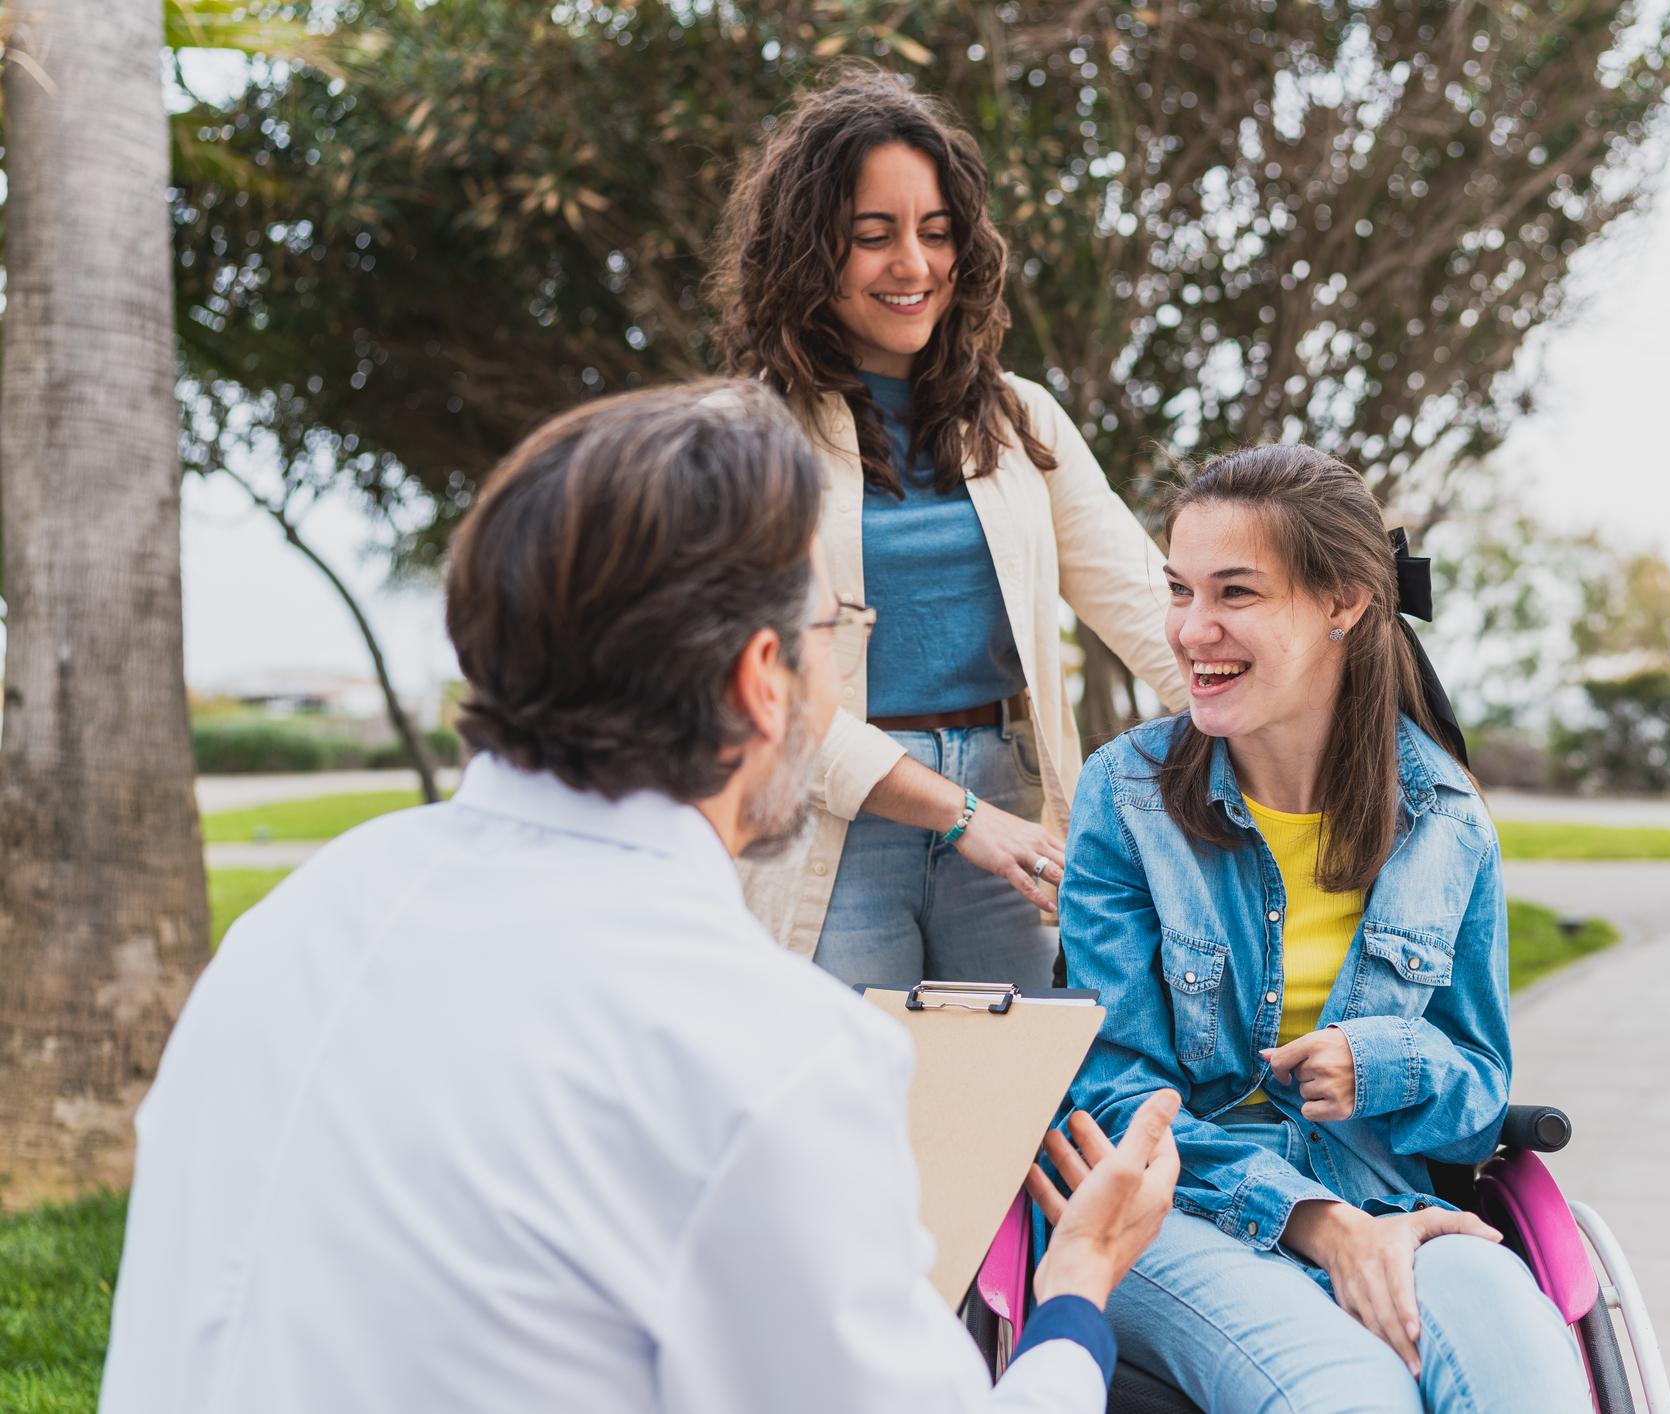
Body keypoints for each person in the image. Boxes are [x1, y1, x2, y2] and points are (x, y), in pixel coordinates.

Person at [98, 382, 1182, 1414]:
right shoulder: (766, 1052)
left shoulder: (298, 918)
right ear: (764, 680)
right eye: (836, 628)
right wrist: (1075, 1293)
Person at [1059, 447, 1593, 1412]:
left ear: (1342, 603)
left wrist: (1382, 1061)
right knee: (1347, 1396)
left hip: (1392, 1204)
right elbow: (1110, 1090)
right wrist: (1313, 1220)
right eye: (1180, 589)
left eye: (1235, 593)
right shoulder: (1124, 795)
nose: (1190, 630)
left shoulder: (1444, 816)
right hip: (1173, 1212)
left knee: (1534, 1384)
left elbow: (1478, 1092)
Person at [713, 68, 1188, 989]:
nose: (915, 266)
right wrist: (958, 816)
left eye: (936, 234)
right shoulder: (749, 436)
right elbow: (763, 688)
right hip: (832, 819)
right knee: (854, 1115)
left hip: (1012, 802)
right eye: (872, 237)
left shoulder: (1023, 420)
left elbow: (1151, 607)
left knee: (1015, 1111)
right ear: (809, 253)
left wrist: (1327, 729)